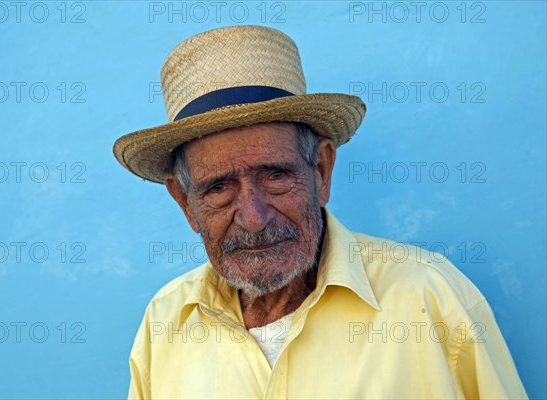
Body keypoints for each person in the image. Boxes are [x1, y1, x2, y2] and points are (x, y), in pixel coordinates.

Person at [114, 25, 527, 399]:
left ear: (322, 170)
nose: (254, 218)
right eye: (218, 188)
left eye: (276, 175)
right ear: (185, 203)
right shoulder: (165, 323)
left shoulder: (430, 296)